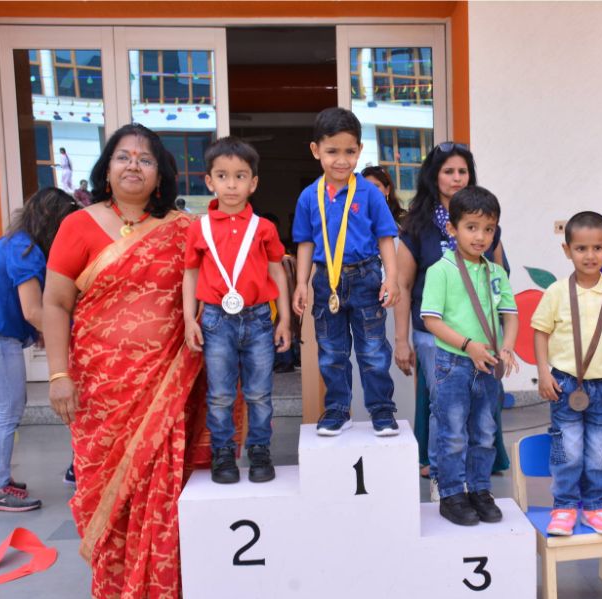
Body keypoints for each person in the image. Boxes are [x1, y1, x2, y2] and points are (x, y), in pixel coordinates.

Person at [43, 124, 205, 599]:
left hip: (166, 382)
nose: (133, 165)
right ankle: (116, 591)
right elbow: (55, 303)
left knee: (162, 487)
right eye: (123, 157)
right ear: (106, 169)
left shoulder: (184, 228)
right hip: (99, 389)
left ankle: (165, 594)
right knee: (106, 488)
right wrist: (58, 375)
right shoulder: (79, 226)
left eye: (145, 158)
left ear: (161, 174)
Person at [394, 142, 510, 495]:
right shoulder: (417, 225)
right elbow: (404, 283)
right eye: (449, 171)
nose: (456, 178)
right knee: (444, 406)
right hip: (434, 330)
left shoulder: (487, 223)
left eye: (463, 171)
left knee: (482, 406)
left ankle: (478, 479)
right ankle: (445, 481)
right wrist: (401, 339)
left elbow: (500, 275)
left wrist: (503, 339)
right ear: (434, 176)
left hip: (481, 333)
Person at [0, 187, 78, 511]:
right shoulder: (25, 249)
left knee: (7, 407)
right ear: (53, 220)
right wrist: (67, 335)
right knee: (7, 410)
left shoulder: (20, 243)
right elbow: (33, 311)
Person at [183, 137, 290, 484]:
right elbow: (190, 273)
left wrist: (285, 318)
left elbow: (277, 271)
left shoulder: (264, 228)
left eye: (240, 176)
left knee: (260, 391)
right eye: (223, 176)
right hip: (215, 320)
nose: (232, 184)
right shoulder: (198, 228)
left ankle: (259, 450)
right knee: (220, 393)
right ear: (209, 181)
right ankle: (223, 452)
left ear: (253, 183)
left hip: (259, 318)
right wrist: (189, 318)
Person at [291, 107, 400, 436]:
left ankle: (382, 410)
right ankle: (338, 409)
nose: (341, 160)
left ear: (359, 151)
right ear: (316, 151)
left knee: (373, 350)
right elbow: (306, 243)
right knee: (331, 352)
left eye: (349, 152)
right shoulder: (309, 196)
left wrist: (391, 278)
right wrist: (301, 283)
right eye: (332, 151)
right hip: (326, 280)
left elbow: (385, 238)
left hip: (366, 276)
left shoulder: (369, 193)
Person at [531, 211, 602, 535]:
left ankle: (594, 506)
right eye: (580, 249)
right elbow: (540, 332)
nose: (589, 256)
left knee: (598, 451)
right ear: (567, 250)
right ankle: (563, 506)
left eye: (596, 248)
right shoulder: (557, 292)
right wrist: (543, 374)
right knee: (568, 448)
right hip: (565, 385)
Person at [420, 186, 518, 525]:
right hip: (454, 364)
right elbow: (431, 320)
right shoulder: (440, 270)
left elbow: (511, 314)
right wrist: (467, 345)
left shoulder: (496, 272)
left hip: (488, 365)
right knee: (452, 433)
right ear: (452, 229)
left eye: (488, 229)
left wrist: (507, 346)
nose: (480, 237)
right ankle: (451, 493)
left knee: (485, 431)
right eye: (471, 227)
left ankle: (479, 489)